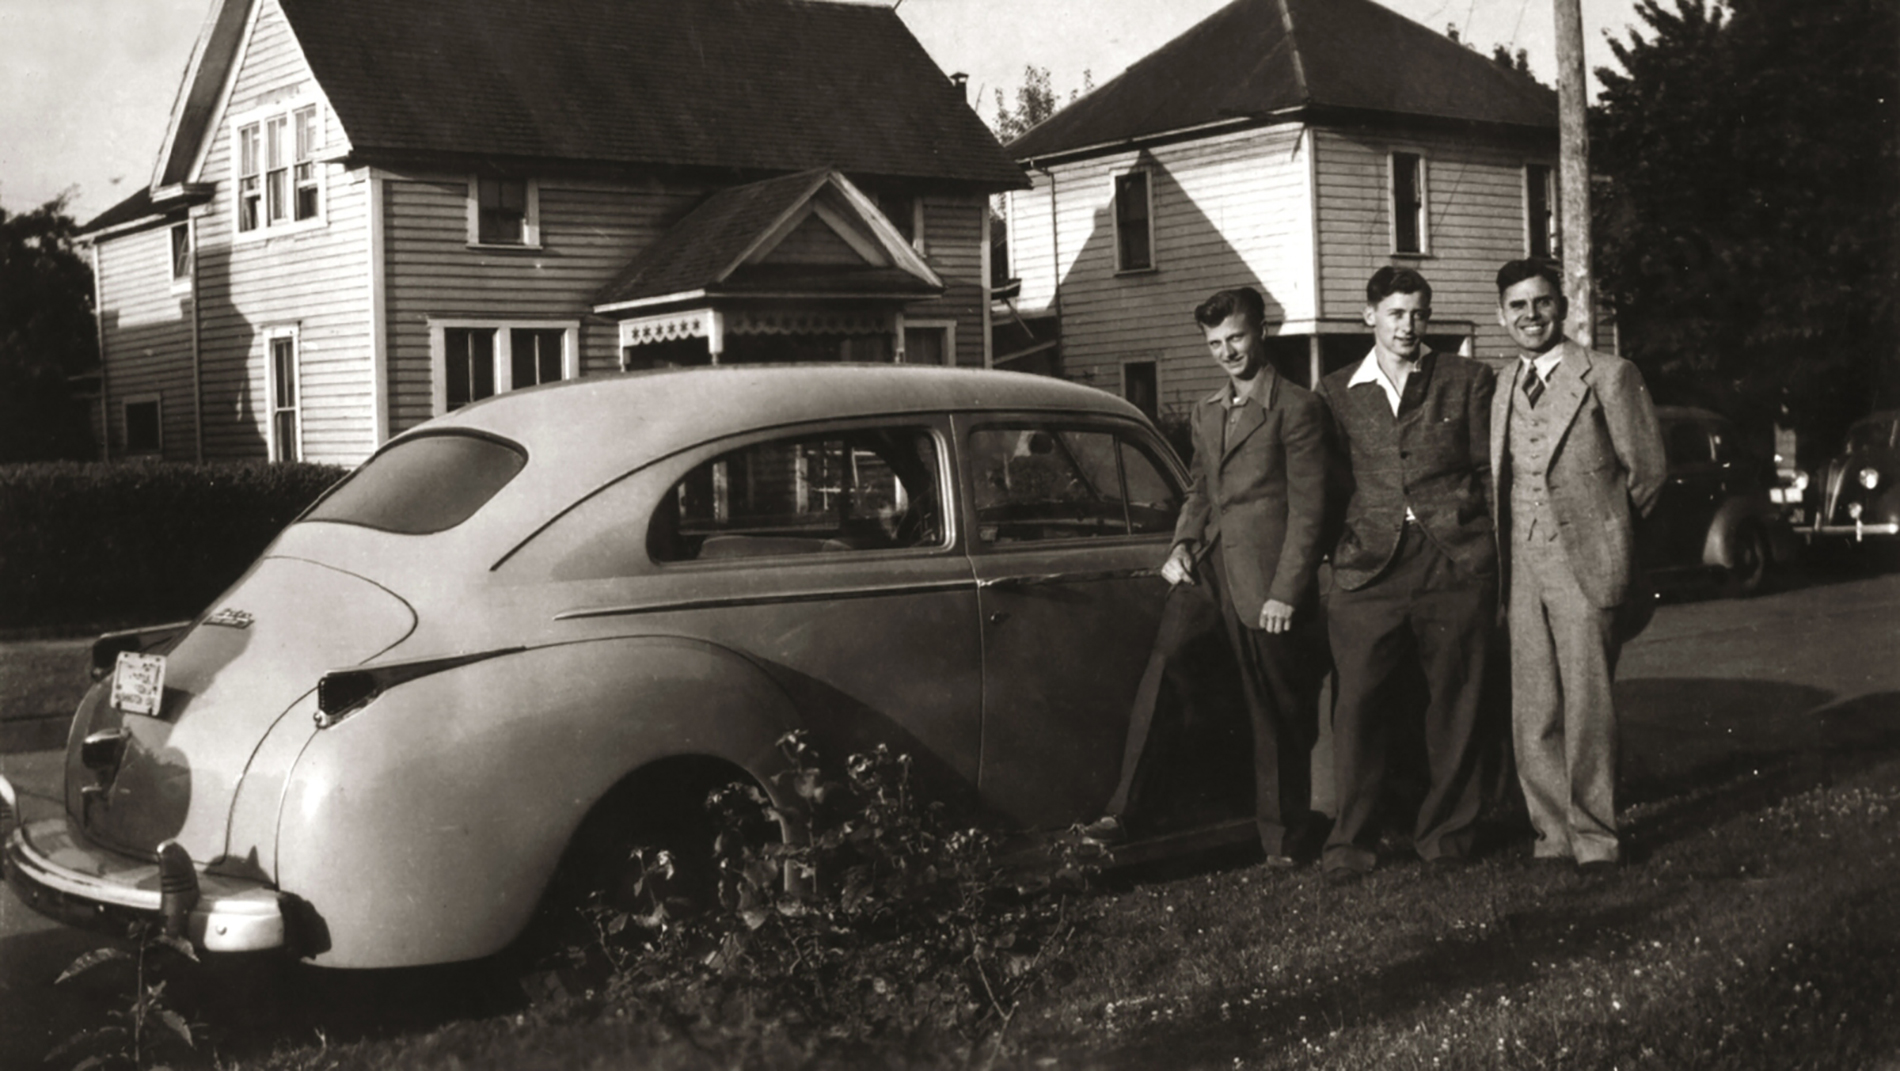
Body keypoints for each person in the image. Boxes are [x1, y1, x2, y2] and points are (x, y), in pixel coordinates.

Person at [1099, 286, 1330, 865]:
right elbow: (1201, 491)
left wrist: (1285, 593)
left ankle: (1283, 843)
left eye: (1236, 338)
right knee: (1166, 668)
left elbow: (1309, 511)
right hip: (1206, 572)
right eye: (1214, 343)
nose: (1227, 352)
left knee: (1272, 710)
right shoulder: (1206, 412)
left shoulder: (1297, 407)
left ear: (1261, 332)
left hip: (1266, 581)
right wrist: (1180, 543)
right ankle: (1122, 813)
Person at [1318, 267, 1497, 883]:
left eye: (1418, 313)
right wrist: (1333, 563)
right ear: (1369, 316)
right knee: (1358, 706)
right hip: (1369, 569)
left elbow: (1488, 473)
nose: (1408, 326)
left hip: (1453, 561)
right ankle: (1351, 844)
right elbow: (1328, 484)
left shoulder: (1467, 379)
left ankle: (1447, 835)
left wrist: (1483, 553)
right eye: (1395, 313)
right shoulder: (1337, 390)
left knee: (1457, 700)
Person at [1489, 259, 1665, 876]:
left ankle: (1595, 838)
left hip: (1586, 563)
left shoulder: (1610, 375)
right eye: (1517, 306)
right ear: (1501, 315)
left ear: (1561, 308)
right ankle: (1552, 835)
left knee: (1589, 705)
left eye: (1541, 303)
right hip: (1523, 563)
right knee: (1534, 707)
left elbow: (1647, 474)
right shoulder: (1503, 384)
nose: (1530, 317)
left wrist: (1608, 532)